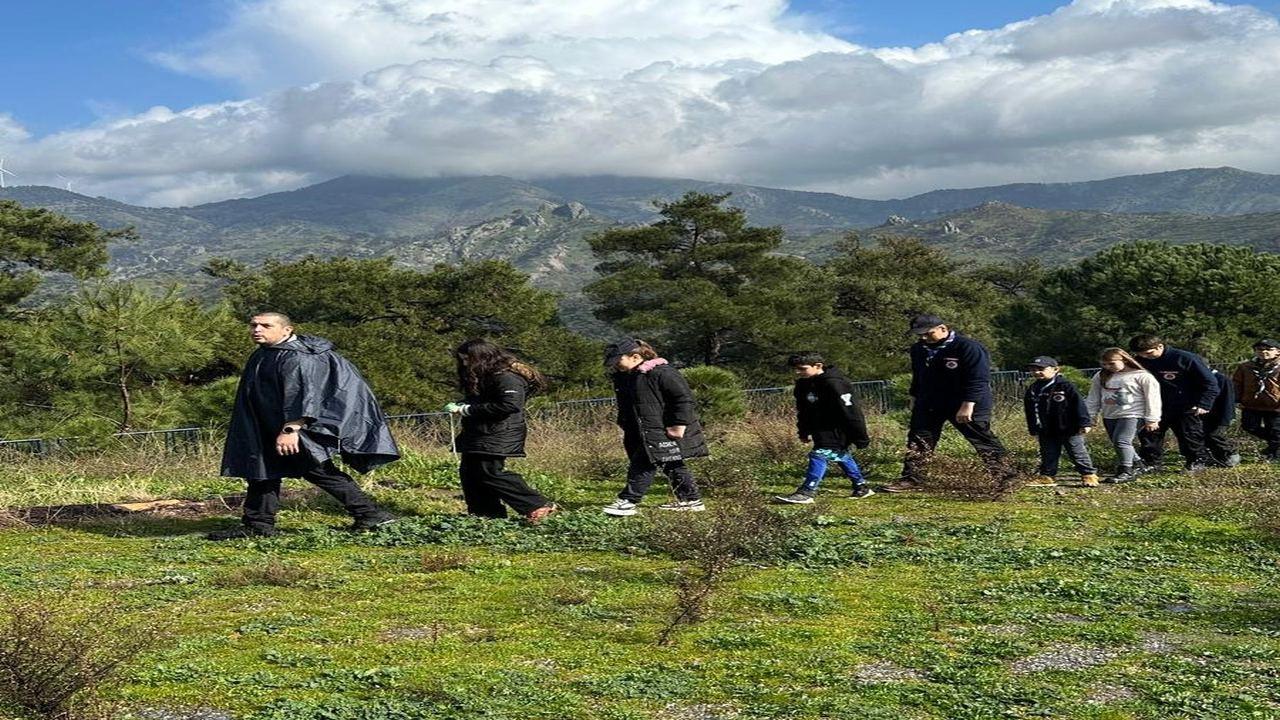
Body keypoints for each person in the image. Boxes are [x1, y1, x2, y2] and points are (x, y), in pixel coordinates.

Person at [213, 312, 399, 540]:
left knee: (318, 471)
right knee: (262, 474)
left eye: (265, 325)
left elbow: (304, 396)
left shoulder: (297, 358)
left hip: (292, 430)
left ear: (286, 330)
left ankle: (371, 514)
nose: (257, 330)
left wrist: (291, 429)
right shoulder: (265, 353)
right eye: (253, 325)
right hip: (265, 428)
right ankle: (258, 525)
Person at [885, 315, 1012, 493]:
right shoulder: (919, 349)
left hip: (965, 402)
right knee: (919, 439)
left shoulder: (968, 347)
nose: (923, 338)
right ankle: (913, 478)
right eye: (919, 335)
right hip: (930, 402)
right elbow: (918, 375)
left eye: (928, 334)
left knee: (981, 438)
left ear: (943, 329)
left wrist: (968, 404)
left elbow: (978, 379)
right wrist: (914, 397)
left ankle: (1005, 475)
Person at [445, 339, 557, 523]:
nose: (465, 363)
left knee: (489, 472)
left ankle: (537, 504)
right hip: (480, 431)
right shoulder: (487, 375)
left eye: (467, 359)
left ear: (481, 357)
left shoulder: (507, 377)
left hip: (499, 432)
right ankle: (486, 514)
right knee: (470, 473)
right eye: (462, 359)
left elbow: (509, 405)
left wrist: (467, 410)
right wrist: (465, 404)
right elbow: (486, 400)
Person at [601, 338, 708, 516]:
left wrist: (678, 425)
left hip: (662, 429)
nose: (615, 366)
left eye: (618, 361)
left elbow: (683, 399)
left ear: (635, 357)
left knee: (642, 463)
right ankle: (691, 499)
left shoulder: (661, 373)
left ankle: (628, 501)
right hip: (639, 430)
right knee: (671, 463)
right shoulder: (626, 377)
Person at [776, 352, 873, 504]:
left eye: (802, 368)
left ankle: (807, 491)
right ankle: (861, 486)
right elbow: (803, 410)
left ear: (818, 366)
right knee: (840, 455)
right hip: (819, 429)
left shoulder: (835, 383)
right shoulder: (802, 385)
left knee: (819, 455)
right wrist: (803, 430)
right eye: (796, 369)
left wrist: (860, 436)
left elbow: (851, 411)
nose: (798, 372)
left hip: (838, 428)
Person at [1128, 334, 1219, 473]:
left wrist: (1204, 404)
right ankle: (1151, 463)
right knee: (1150, 435)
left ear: (1160, 346)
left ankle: (1197, 461)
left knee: (1189, 435)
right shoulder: (1139, 361)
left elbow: (1210, 383)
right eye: (1141, 354)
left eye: (1149, 353)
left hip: (1185, 405)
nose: (1146, 357)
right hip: (1154, 405)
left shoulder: (1185, 358)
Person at [1086, 348, 1162, 484]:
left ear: (1125, 360)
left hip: (1133, 414)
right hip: (1110, 415)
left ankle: (1126, 471)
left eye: (1111, 364)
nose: (1108, 367)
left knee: (1122, 441)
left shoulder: (1142, 376)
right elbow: (1093, 397)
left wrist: (1152, 418)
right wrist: (1091, 415)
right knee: (1118, 442)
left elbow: (1153, 398)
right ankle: (1138, 464)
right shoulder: (1100, 376)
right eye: (1104, 364)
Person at [1022, 356, 1099, 488]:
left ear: (1055, 369)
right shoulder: (1033, 389)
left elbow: (1078, 404)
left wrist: (1085, 423)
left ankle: (1088, 474)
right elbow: (1030, 409)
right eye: (1033, 369)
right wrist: (1033, 427)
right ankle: (1047, 476)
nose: (1036, 372)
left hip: (1068, 427)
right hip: (1046, 428)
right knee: (1048, 452)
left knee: (1077, 452)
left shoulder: (1065, 386)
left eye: (1041, 369)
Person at [1233, 339, 1280, 461]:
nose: (1263, 352)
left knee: (1275, 430)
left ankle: (1274, 454)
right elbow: (1237, 384)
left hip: (1275, 405)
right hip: (1251, 404)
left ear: (1277, 352)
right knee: (1249, 426)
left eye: (1268, 349)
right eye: (1259, 349)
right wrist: (1237, 399)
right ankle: (1274, 445)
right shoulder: (1245, 367)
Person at [1203, 369, 1240, 467]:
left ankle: (1231, 454)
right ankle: (1217, 458)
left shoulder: (1222, 379)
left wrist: (1226, 418)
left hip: (1220, 414)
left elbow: (1228, 401)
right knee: (1204, 436)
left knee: (1214, 435)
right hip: (1204, 414)